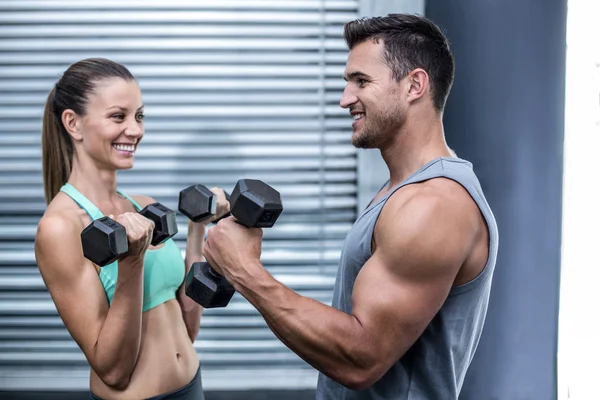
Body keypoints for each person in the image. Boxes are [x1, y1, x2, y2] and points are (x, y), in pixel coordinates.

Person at [202, 13, 499, 400]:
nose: (345, 99)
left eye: (361, 81)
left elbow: (361, 359)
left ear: (414, 85)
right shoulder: (401, 191)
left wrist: (244, 271)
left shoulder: (434, 204)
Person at [34, 58, 229, 400]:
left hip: (192, 387)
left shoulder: (142, 206)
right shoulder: (60, 228)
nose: (136, 130)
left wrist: (197, 229)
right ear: (73, 124)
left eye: (139, 116)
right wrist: (132, 262)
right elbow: (113, 370)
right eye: (118, 116)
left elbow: (187, 328)